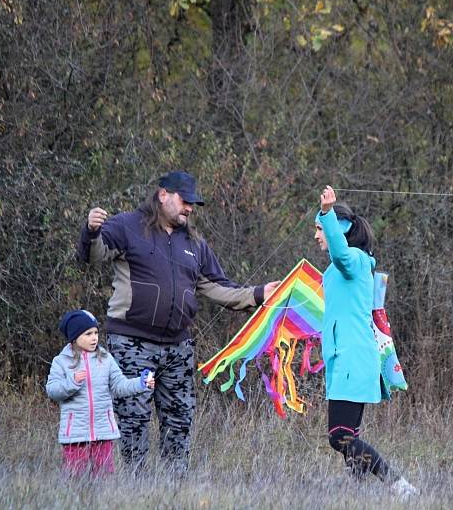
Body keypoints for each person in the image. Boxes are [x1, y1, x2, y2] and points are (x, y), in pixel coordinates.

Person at [77, 170, 279, 475]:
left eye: (193, 204)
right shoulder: (126, 226)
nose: (189, 209)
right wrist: (91, 232)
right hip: (132, 343)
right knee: (133, 420)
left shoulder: (195, 243)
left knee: (180, 420)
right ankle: (136, 489)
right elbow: (93, 256)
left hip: (177, 348)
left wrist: (259, 294)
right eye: (185, 201)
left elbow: (218, 286)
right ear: (163, 195)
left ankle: (174, 488)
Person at [314, 185, 417, 497]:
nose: (317, 235)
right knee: (349, 436)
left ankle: (399, 485)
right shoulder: (340, 269)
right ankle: (353, 496)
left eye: (320, 230)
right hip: (344, 359)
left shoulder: (355, 260)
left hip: (352, 358)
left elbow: (340, 253)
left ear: (340, 230)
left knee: (340, 437)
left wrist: (327, 213)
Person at [46, 309, 155, 477]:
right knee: (75, 476)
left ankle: (103, 502)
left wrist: (141, 383)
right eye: (88, 333)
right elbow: (52, 390)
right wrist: (72, 383)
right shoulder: (61, 362)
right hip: (75, 433)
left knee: (104, 475)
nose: (94, 337)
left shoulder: (106, 359)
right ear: (74, 337)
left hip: (103, 430)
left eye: (96, 332)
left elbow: (120, 385)